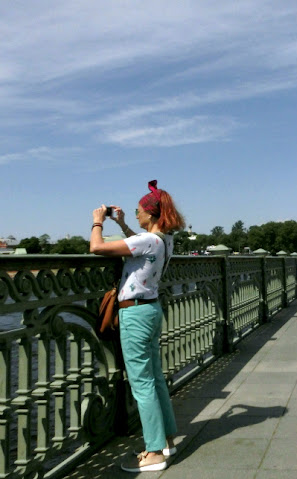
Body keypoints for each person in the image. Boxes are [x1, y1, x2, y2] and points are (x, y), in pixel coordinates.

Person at [89, 180, 186, 473]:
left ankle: (154, 451)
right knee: (155, 378)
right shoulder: (163, 241)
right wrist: (122, 224)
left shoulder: (148, 240)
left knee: (142, 384)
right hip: (152, 310)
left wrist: (97, 222)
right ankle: (166, 438)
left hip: (135, 314)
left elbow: (97, 247)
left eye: (139, 211)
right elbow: (140, 242)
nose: (136, 215)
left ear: (152, 214)